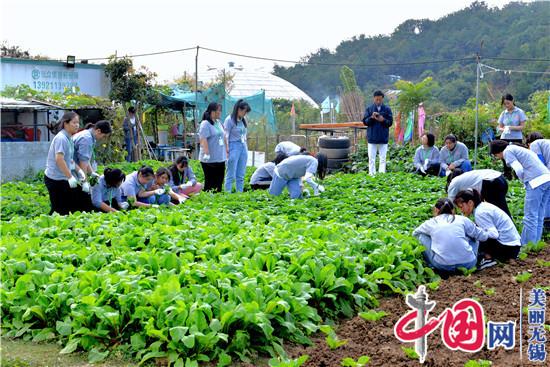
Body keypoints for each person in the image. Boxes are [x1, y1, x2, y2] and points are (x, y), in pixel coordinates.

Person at [490, 140, 550, 245]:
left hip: (535, 181)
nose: (498, 158)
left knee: (530, 216)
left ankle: (526, 245)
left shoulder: (507, 151)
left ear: (497, 152)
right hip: (546, 178)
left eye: (496, 156)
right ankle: (535, 244)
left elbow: (519, 169)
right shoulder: (517, 148)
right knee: (539, 214)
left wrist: (523, 181)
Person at [412, 198, 496, 273]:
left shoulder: (431, 222)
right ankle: (479, 259)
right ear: (453, 210)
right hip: (468, 263)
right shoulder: (462, 219)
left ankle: (430, 265)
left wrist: (434, 238)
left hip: (442, 266)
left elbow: (415, 233)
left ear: (436, 210)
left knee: (422, 236)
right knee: (474, 235)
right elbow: (483, 237)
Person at [454, 189, 521, 269]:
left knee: (477, 235)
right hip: (514, 247)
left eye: (461, 207)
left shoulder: (480, 213)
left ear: (470, 203)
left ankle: (488, 258)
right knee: (478, 231)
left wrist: (476, 231)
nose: (461, 210)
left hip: (507, 247)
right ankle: (503, 257)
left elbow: (494, 234)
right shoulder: (483, 206)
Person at [44, 112, 90, 215]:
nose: (77, 125)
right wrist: (70, 177)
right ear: (66, 123)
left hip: (63, 179)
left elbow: (69, 160)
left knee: (81, 200)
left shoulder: (69, 138)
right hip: (55, 179)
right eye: (74, 123)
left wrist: (81, 173)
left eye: (78, 123)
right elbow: (59, 159)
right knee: (60, 210)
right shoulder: (61, 138)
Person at [446, 168, 511, 217]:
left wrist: (453, 220)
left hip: (490, 182)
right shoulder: (466, 180)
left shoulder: (453, 183)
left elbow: (450, 205)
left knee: (498, 211)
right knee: (500, 209)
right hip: (500, 178)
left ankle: (506, 229)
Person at [362, 90, 393, 176]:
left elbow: (390, 123)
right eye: (376, 99)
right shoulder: (369, 109)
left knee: (383, 159)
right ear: (374, 99)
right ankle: (372, 175)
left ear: (382, 99)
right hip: (372, 138)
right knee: (371, 159)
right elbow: (365, 122)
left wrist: (383, 120)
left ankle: (381, 176)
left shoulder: (387, 109)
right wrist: (372, 117)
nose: (378, 101)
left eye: (380, 99)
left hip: (383, 138)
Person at [497, 94, 527, 179]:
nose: (506, 105)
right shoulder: (503, 113)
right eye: (505, 104)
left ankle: (518, 175)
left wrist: (511, 128)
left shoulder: (519, 112)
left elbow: (522, 126)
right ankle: (507, 175)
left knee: (517, 156)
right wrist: (503, 129)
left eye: (508, 103)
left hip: (516, 137)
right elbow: (500, 127)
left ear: (512, 101)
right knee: (504, 156)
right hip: (504, 138)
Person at [199, 102, 226, 192]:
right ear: (212, 111)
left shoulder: (218, 122)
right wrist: (207, 153)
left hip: (220, 158)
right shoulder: (205, 123)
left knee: (219, 183)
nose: (220, 113)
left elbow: (223, 136)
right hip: (209, 160)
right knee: (210, 184)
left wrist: (227, 150)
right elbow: (203, 139)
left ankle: (217, 203)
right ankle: (208, 202)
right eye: (219, 111)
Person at [224, 100, 251, 193]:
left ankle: (239, 193)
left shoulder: (243, 120)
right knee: (231, 173)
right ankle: (228, 193)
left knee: (241, 174)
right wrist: (227, 149)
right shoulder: (229, 120)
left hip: (243, 146)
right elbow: (226, 135)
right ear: (239, 109)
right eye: (244, 111)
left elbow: (244, 134)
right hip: (233, 146)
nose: (245, 114)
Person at [527, 132, 550, 229]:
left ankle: (547, 223)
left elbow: (539, 163)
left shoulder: (534, 144)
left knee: (547, 197)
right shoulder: (546, 142)